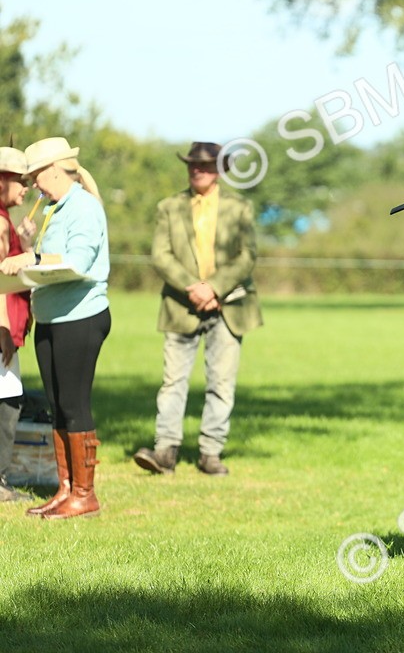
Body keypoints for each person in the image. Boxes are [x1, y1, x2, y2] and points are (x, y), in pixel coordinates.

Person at [134, 142, 262, 477]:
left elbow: (247, 255)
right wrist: (193, 287)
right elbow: (161, 255)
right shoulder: (169, 207)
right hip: (181, 305)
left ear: (219, 170)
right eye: (192, 164)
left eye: (204, 165)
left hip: (228, 306)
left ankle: (210, 453)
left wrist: (214, 287)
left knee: (222, 382)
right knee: (172, 381)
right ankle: (165, 451)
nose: (196, 170)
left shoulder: (240, 207)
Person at [0, 137, 110, 520]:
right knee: (57, 406)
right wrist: (32, 248)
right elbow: (49, 257)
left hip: (79, 318)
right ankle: (66, 489)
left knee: (74, 406)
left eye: (35, 176)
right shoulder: (54, 208)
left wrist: (29, 258)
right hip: (51, 318)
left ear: (53, 170)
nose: (33, 184)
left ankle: (85, 494)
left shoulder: (84, 207)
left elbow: (78, 261)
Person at [0, 147, 32, 503]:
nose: (26, 188)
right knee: (7, 404)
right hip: (2, 331)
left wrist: (25, 244)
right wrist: (4, 329)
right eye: (19, 180)